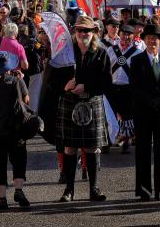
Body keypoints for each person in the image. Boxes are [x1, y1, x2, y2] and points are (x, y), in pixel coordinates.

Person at [57, 16, 112, 202]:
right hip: (69, 101)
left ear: (93, 32)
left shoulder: (101, 53)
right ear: (75, 31)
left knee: (92, 147)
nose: (82, 34)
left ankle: (94, 189)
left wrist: (86, 86)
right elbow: (52, 78)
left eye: (86, 31)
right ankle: (69, 190)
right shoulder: (65, 52)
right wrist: (64, 86)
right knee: (70, 148)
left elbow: (106, 82)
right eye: (79, 30)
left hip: (91, 101)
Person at [129, 24, 160, 201]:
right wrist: (150, 101)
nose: (152, 41)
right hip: (143, 112)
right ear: (144, 40)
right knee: (143, 150)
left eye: (155, 38)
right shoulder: (136, 61)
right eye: (149, 38)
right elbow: (135, 87)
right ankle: (144, 190)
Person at [0, 51, 30, 210]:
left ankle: (2, 198)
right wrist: (20, 81)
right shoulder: (14, 80)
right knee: (18, 159)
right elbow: (23, 101)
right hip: (13, 128)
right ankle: (18, 190)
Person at [106, 24, 141, 153]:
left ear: (133, 36)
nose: (126, 36)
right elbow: (106, 69)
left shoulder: (137, 52)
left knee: (127, 115)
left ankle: (125, 140)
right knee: (110, 115)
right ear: (119, 34)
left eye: (128, 34)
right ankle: (108, 140)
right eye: (123, 33)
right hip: (112, 87)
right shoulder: (111, 50)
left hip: (128, 88)